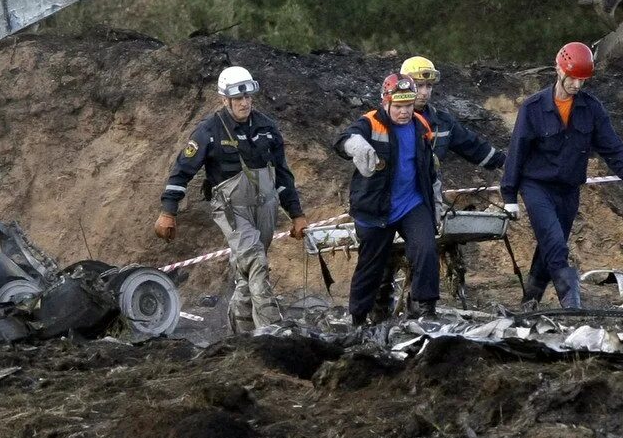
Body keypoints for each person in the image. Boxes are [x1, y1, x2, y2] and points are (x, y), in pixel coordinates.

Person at [154, 66, 309, 333]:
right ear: (224, 99)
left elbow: (283, 175)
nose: (245, 102)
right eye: (238, 98)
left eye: (248, 96)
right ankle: (270, 331)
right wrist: (168, 211)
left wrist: (296, 214)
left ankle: (241, 334)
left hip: (266, 207)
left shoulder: (268, 128)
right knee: (257, 260)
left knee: (247, 272)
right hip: (230, 209)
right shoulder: (209, 131)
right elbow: (182, 172)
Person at [501, 42, 623, 309]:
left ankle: (530, 300)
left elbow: (612, 147)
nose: (577, 86)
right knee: (556, 244)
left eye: (583, 80)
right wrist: (509, 194)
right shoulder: (533, 108)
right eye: (573, 78)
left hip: (568, 189)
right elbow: (517, 151)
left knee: (550, 244)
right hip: (537, 186)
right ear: (559, 69)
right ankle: (571, 304)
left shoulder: (591, 109)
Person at [371, 56, 506, 313]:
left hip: (422, 200)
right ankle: (377, 310)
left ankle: (424, 310)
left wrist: (508, 163)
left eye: (428, 87)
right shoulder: (382, 121)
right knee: (383, 254)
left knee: (425, 249)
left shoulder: (442, 123)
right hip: (384, 199)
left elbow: (475, 148)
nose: (423, 93)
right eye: (418, 86)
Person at [335, 73, 440, 326]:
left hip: (412, 203)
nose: (405, 112)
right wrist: (356, 146)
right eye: (399, 106)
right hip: (375, 207)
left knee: (426, 249)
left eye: (409, 105)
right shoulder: (371, 123)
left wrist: (435, 203)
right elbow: (342, 140)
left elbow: (429, 170)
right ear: (386, 103)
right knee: (371, 264)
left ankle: (424, 310)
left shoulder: (421, 126)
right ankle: (359, 317)